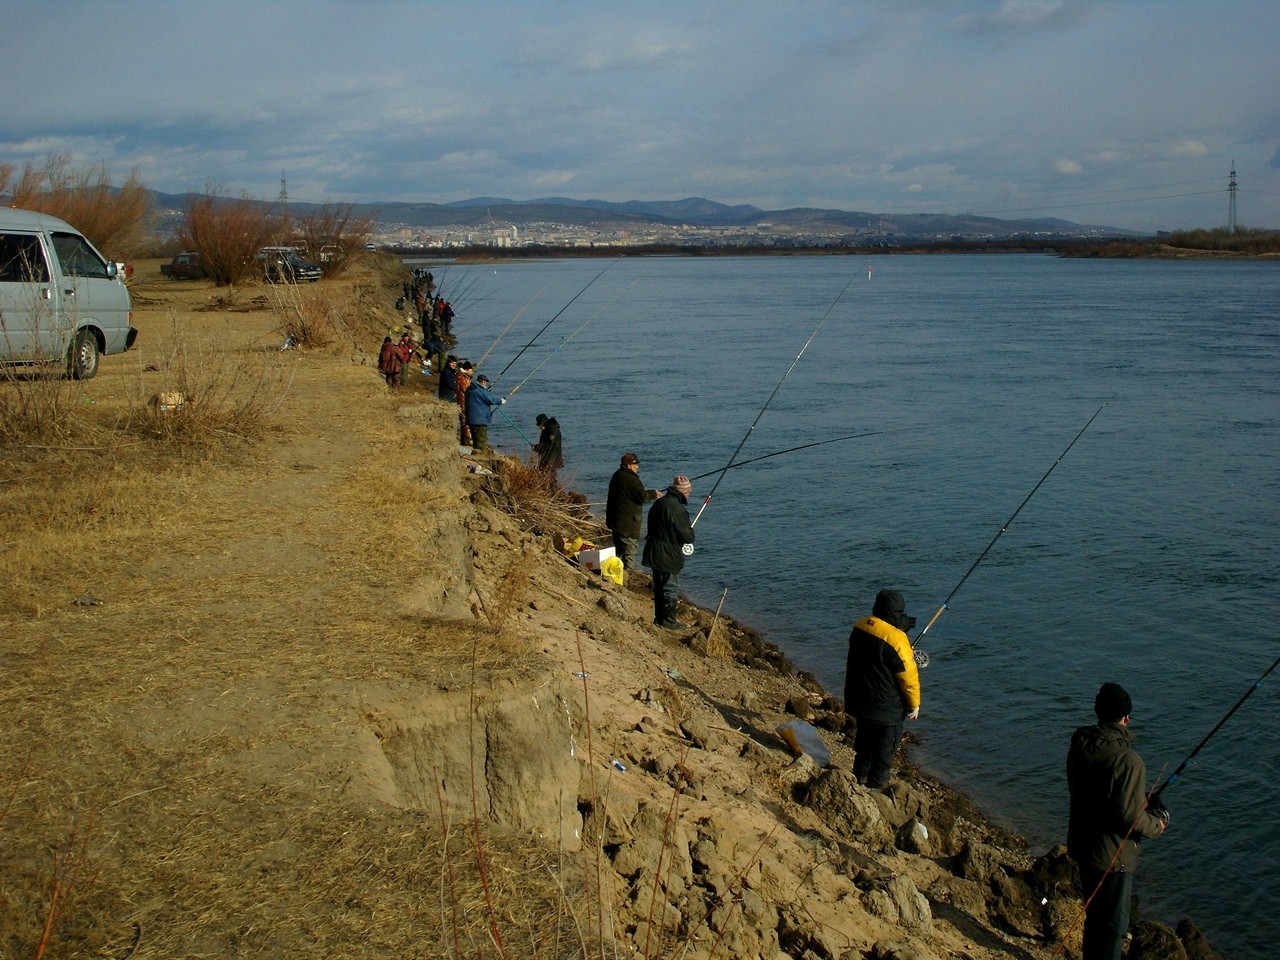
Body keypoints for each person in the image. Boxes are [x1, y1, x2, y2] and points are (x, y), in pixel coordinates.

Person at [1067, 683, 1170, 960]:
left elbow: (1098, 792)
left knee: (1094, 917)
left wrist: (1138, 798)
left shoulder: (1081, 743)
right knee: (1113, 928)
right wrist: (1157, 824)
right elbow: (1129, 817)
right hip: (1112, 857)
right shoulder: (1129, 761)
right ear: (1125, 718)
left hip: (1083, 846)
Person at [842, 589, 920, 789]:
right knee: (884, 753)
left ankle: (857, 781)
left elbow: (880, 635)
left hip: (861, 702)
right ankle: (876, 789)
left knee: (864, 747)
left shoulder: (860, 627)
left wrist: (899, 629)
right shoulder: (897, 640)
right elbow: (908, 678)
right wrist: (914, 705)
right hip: (888, 710)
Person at [641, 475, 695, 629]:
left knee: (659, 586)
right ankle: (669, 621)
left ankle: (659, 618)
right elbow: (687, 536)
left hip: (653, 550)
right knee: (670, 587)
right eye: (689, 492)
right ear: (684, 492)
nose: (689, 495)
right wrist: (690, 533)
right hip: (668, 553)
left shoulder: (659, 503)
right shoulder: (678, 509)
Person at [606, 452, 661, 572]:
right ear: (629, 465)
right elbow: (641, 496)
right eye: (636, 465)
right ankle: (627, 577)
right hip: (627, 524)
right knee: (629, 552)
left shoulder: (617, 476)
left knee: (619, 552)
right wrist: (654, 494)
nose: (638, 467)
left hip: (616, 522)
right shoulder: (632, 480)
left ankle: (618, 574)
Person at [464, 373, 504, 452]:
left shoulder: (470, 389)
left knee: (476, 440)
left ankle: (475, 453)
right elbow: (489, 400)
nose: (486, 384)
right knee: (481, 443)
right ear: (482, 382)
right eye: (485, 382)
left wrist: (485, 391)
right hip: (480, 421)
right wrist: (501, 401)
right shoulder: (480, 391)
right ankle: (479, 456)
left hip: (471, 420)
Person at [533, 413, 564, 485]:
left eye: (539, 425)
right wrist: (537, 448)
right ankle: (552, 491)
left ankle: (552, 491)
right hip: (549, 458)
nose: (539, 427)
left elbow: (551, 445)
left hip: (551, 458)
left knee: (549, 478)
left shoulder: (551, 429)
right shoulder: (549, 428)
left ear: (542, 423)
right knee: (549, 477)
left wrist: (537, 447)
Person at [454, 360, 473, 446]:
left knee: (464, 423)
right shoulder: (463, 378)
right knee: (465, 424)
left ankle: (464, 441)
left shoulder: (461, 376)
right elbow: (466, 390)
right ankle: (466, 442)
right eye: (471, 370)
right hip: (464, 403)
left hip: (462, 402)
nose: (472, 372)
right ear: (467, 369)